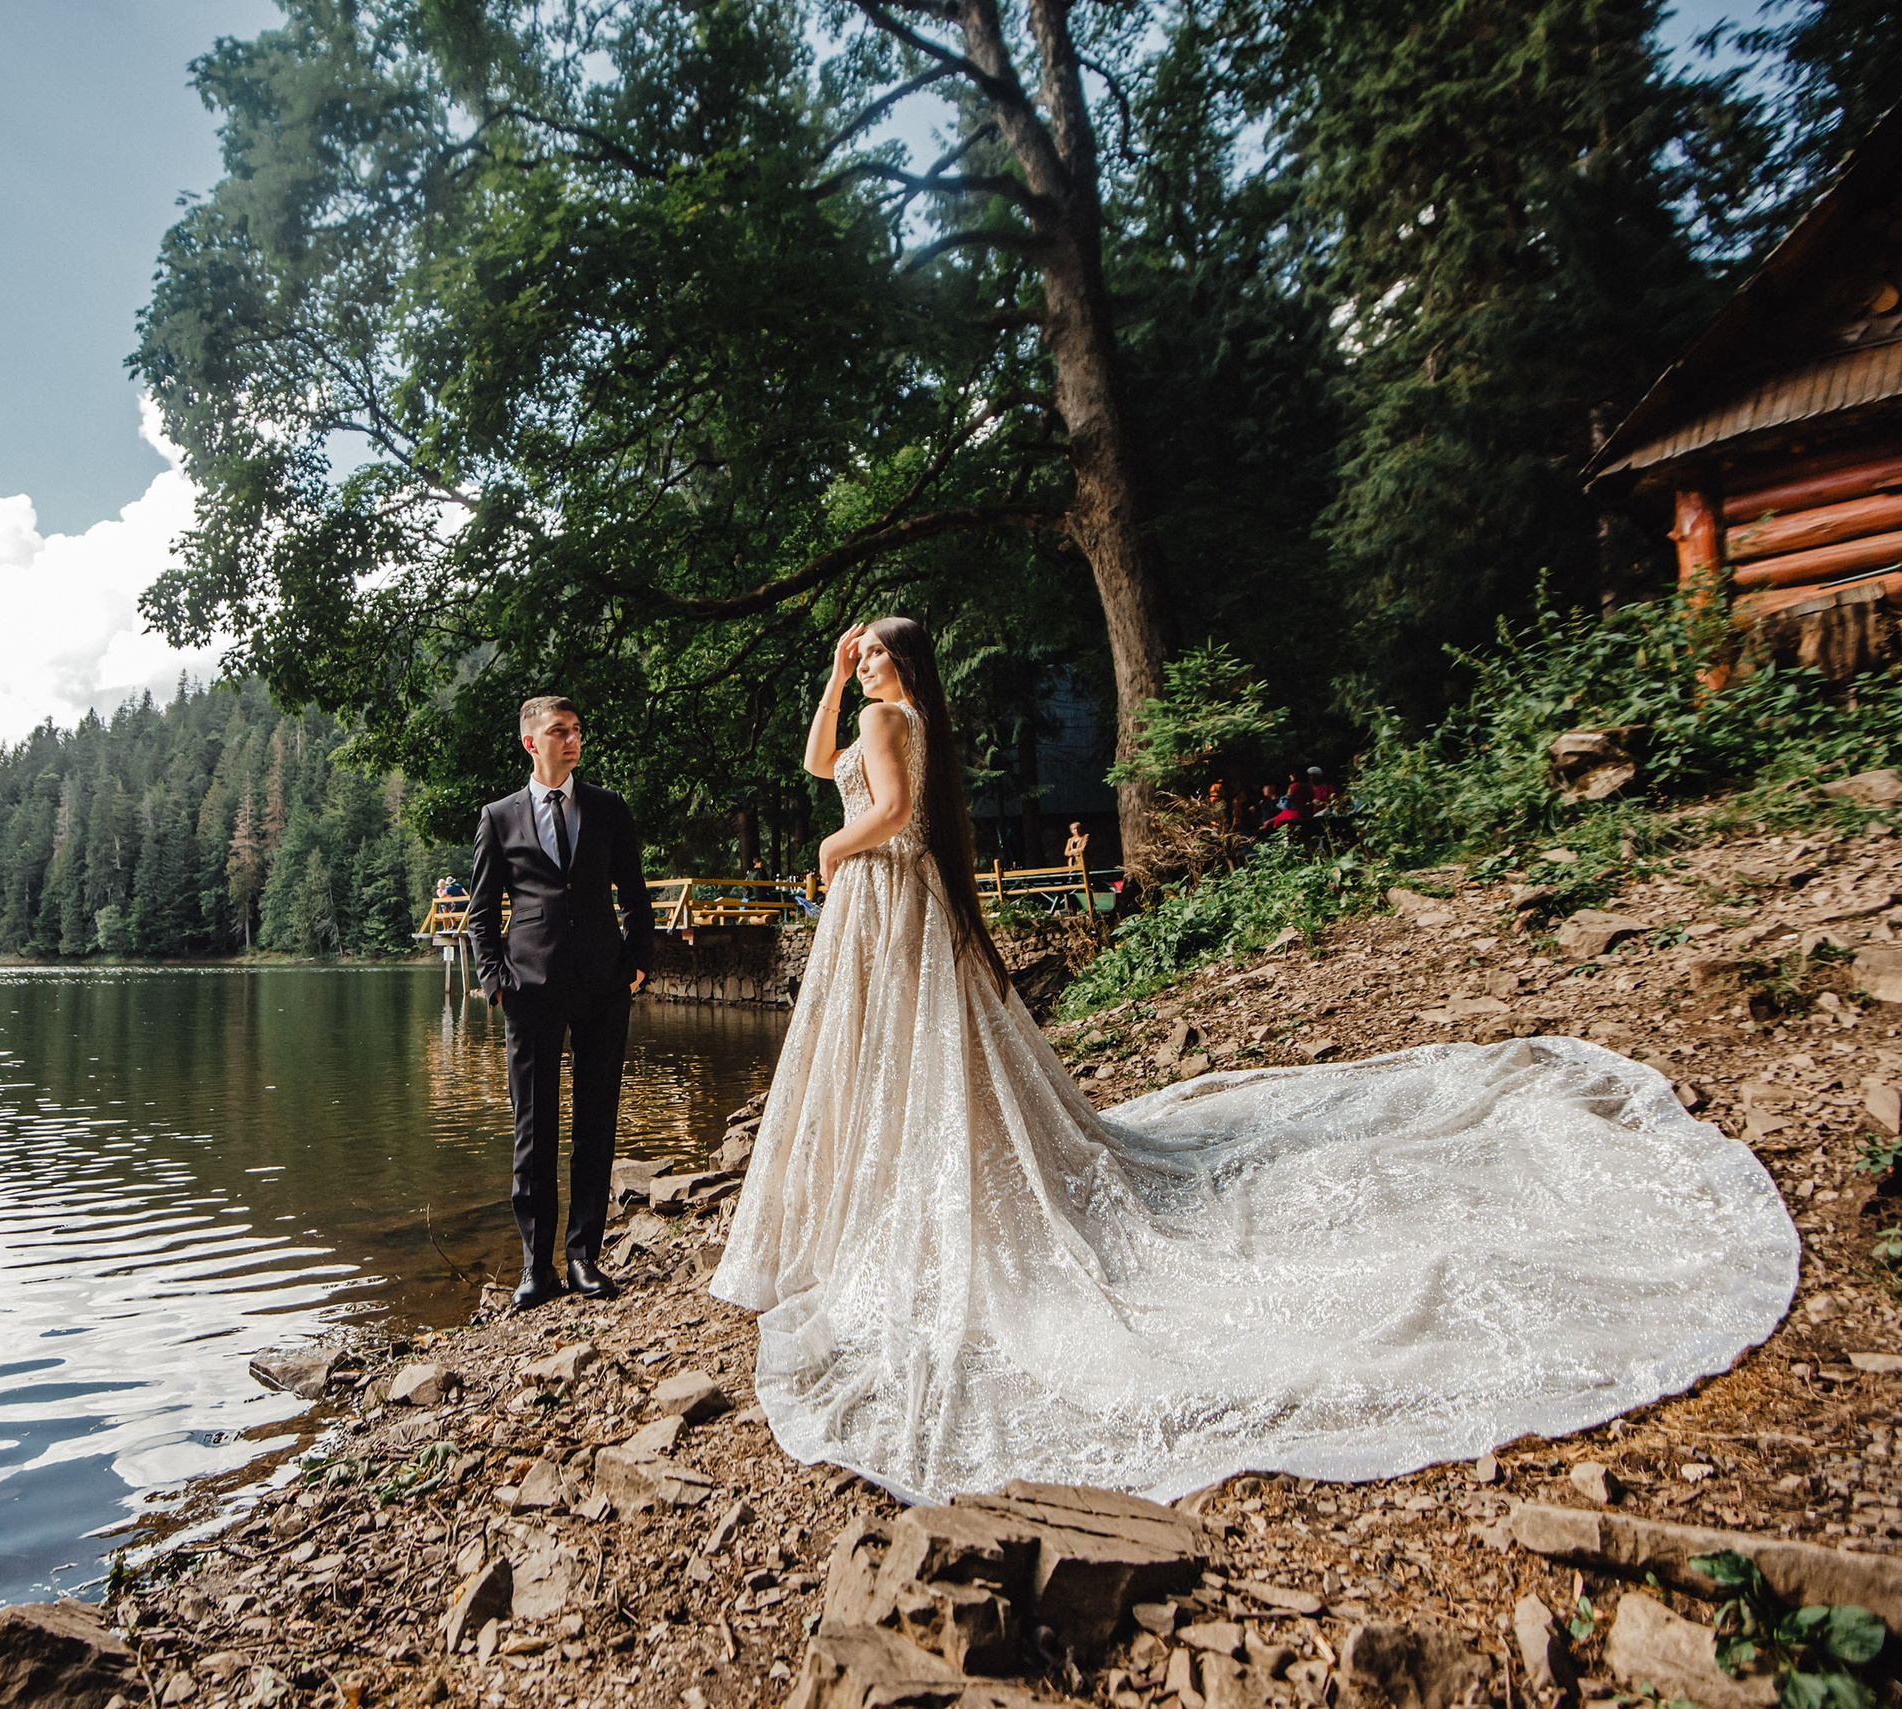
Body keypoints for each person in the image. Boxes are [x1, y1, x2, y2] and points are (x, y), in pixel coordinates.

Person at [709, 616, 1795, 1502]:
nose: (873, 670)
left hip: (884, 891)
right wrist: (825, 675)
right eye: (868, 658)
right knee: (887, 1062)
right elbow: (820, 765)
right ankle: (882, 1190)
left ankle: (919, 1197)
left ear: (909, 669)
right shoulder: (865, 710)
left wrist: (830, 848)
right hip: (875, 901)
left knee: (915, 1059)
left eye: (883, 658)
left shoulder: (898, 719)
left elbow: (889, 811)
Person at [466, 695, 654, 1311]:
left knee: (595, 1124)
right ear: (531, 743)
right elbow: (481, 912)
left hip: (603, 986)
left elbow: (636, 894)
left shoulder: (607, 807)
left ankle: (583, 1257)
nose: (572, 740)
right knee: (532, 1130)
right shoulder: (499, 817)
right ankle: (534, 1266)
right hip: (529, 990)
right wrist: (494, 980)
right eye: (559, 732)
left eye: (576, 731)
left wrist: (637, 963)